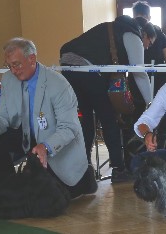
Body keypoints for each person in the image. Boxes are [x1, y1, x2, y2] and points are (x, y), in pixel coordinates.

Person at [0, 38, 97, 198]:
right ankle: (8, 188)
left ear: (32, 59)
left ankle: (85, 178)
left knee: (56, 197)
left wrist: (46, 147)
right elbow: (3, 117)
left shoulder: (58, 84)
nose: (13, 71)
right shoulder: (8, 79)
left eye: (16, 64)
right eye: (9, 66)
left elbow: (69, 128)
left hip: (54, 143)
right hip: (26, 137)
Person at [60, 15, 156, 182]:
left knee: (87, 119)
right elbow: (139, 73)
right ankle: (119, 170)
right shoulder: (133, 35)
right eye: (150, 42)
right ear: (145, 35)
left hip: (68, 66)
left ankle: (84, 168)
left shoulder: (112, 27)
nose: (147, 47)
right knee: (108, 119)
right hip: (87, 69)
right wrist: (152, 104)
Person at [132, 1, 166, 92]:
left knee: (139, 104)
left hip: (138, 77)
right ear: (149, 17)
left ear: (133, 16)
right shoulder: (158, 31)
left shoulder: (130, 31)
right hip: (158, 77)